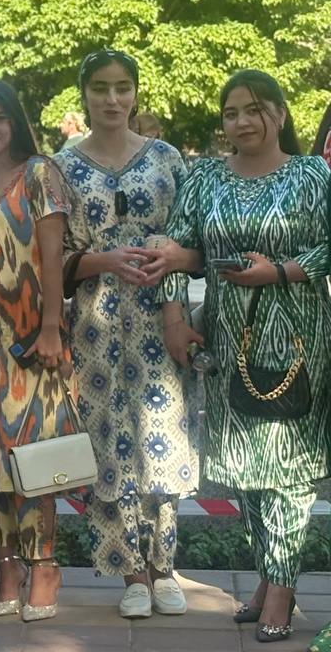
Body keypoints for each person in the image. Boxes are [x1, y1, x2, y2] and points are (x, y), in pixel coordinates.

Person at [150, 70, 330, 645]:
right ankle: (270, 577)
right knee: (244, 468)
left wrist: (282, 270)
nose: (242, 122)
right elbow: (172, 251)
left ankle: (280, 589)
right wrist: (174, 320)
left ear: (279, 114)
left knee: (289, 468)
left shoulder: (312, 175)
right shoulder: (205, 177)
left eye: (254, 109)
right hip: (229, 340)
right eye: (231, 113)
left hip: (297, 334)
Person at [54, 49, 195, 619]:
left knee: (162, 437)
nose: (112, 99)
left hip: (160, 320)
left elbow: (190, 244)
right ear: (84, 93)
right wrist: (103, 261)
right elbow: (55, 258)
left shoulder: (166, 159)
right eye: (100, 87)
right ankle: (131, 573)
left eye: (122, 87)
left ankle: (164, 567)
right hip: (95, 325)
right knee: (108, 443)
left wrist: (176, 298)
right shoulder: (61, 166)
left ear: (135, 93)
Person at [0, 80, 71, 623]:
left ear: (15, 121)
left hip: (31, 335)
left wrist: (51, 327)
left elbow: (53, 258)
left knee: (35, 455)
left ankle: (44, 566)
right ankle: (7, 567)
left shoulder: (40, 174)